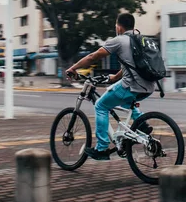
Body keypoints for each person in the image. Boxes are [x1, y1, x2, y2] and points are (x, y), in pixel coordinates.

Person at [66, 13, 155, 161]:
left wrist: (73, 68)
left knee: (101, 106)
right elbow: (134, 65)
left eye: (116, 26)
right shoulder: (140, 40)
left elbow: (93, 57)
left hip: (131, 85)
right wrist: (114, 77)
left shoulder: (119, 40)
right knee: (127, 102)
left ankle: (101, 148)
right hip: (149, 86)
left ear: (119, 27)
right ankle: (142, 124)